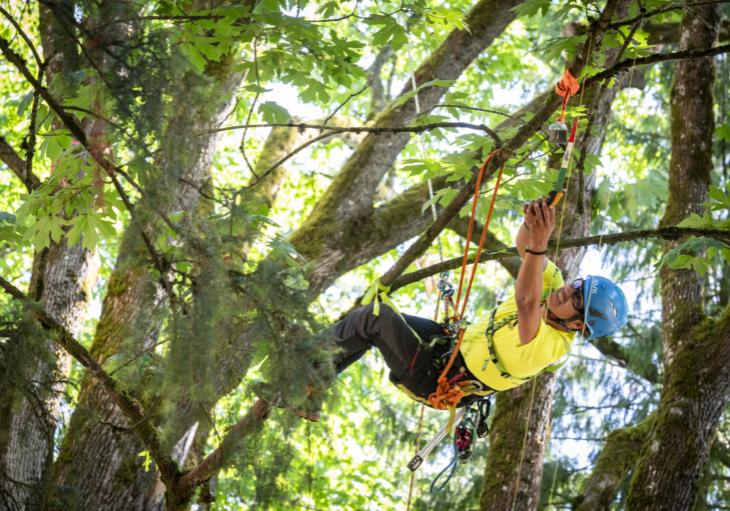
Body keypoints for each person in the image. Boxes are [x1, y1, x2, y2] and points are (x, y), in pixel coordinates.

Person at [255, 199, 629, 421]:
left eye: (578, 299)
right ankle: (310, 387)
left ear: (579, 324)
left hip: (440, 380)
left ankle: (298, 383)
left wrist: (540, 244)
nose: (568, 290)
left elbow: (526, 301)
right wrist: (534, 222)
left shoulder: (551, 348)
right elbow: (524, 244)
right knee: (368, 316)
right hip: (446, 347)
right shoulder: (553, 285)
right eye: (578, 285)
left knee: (372, 319)